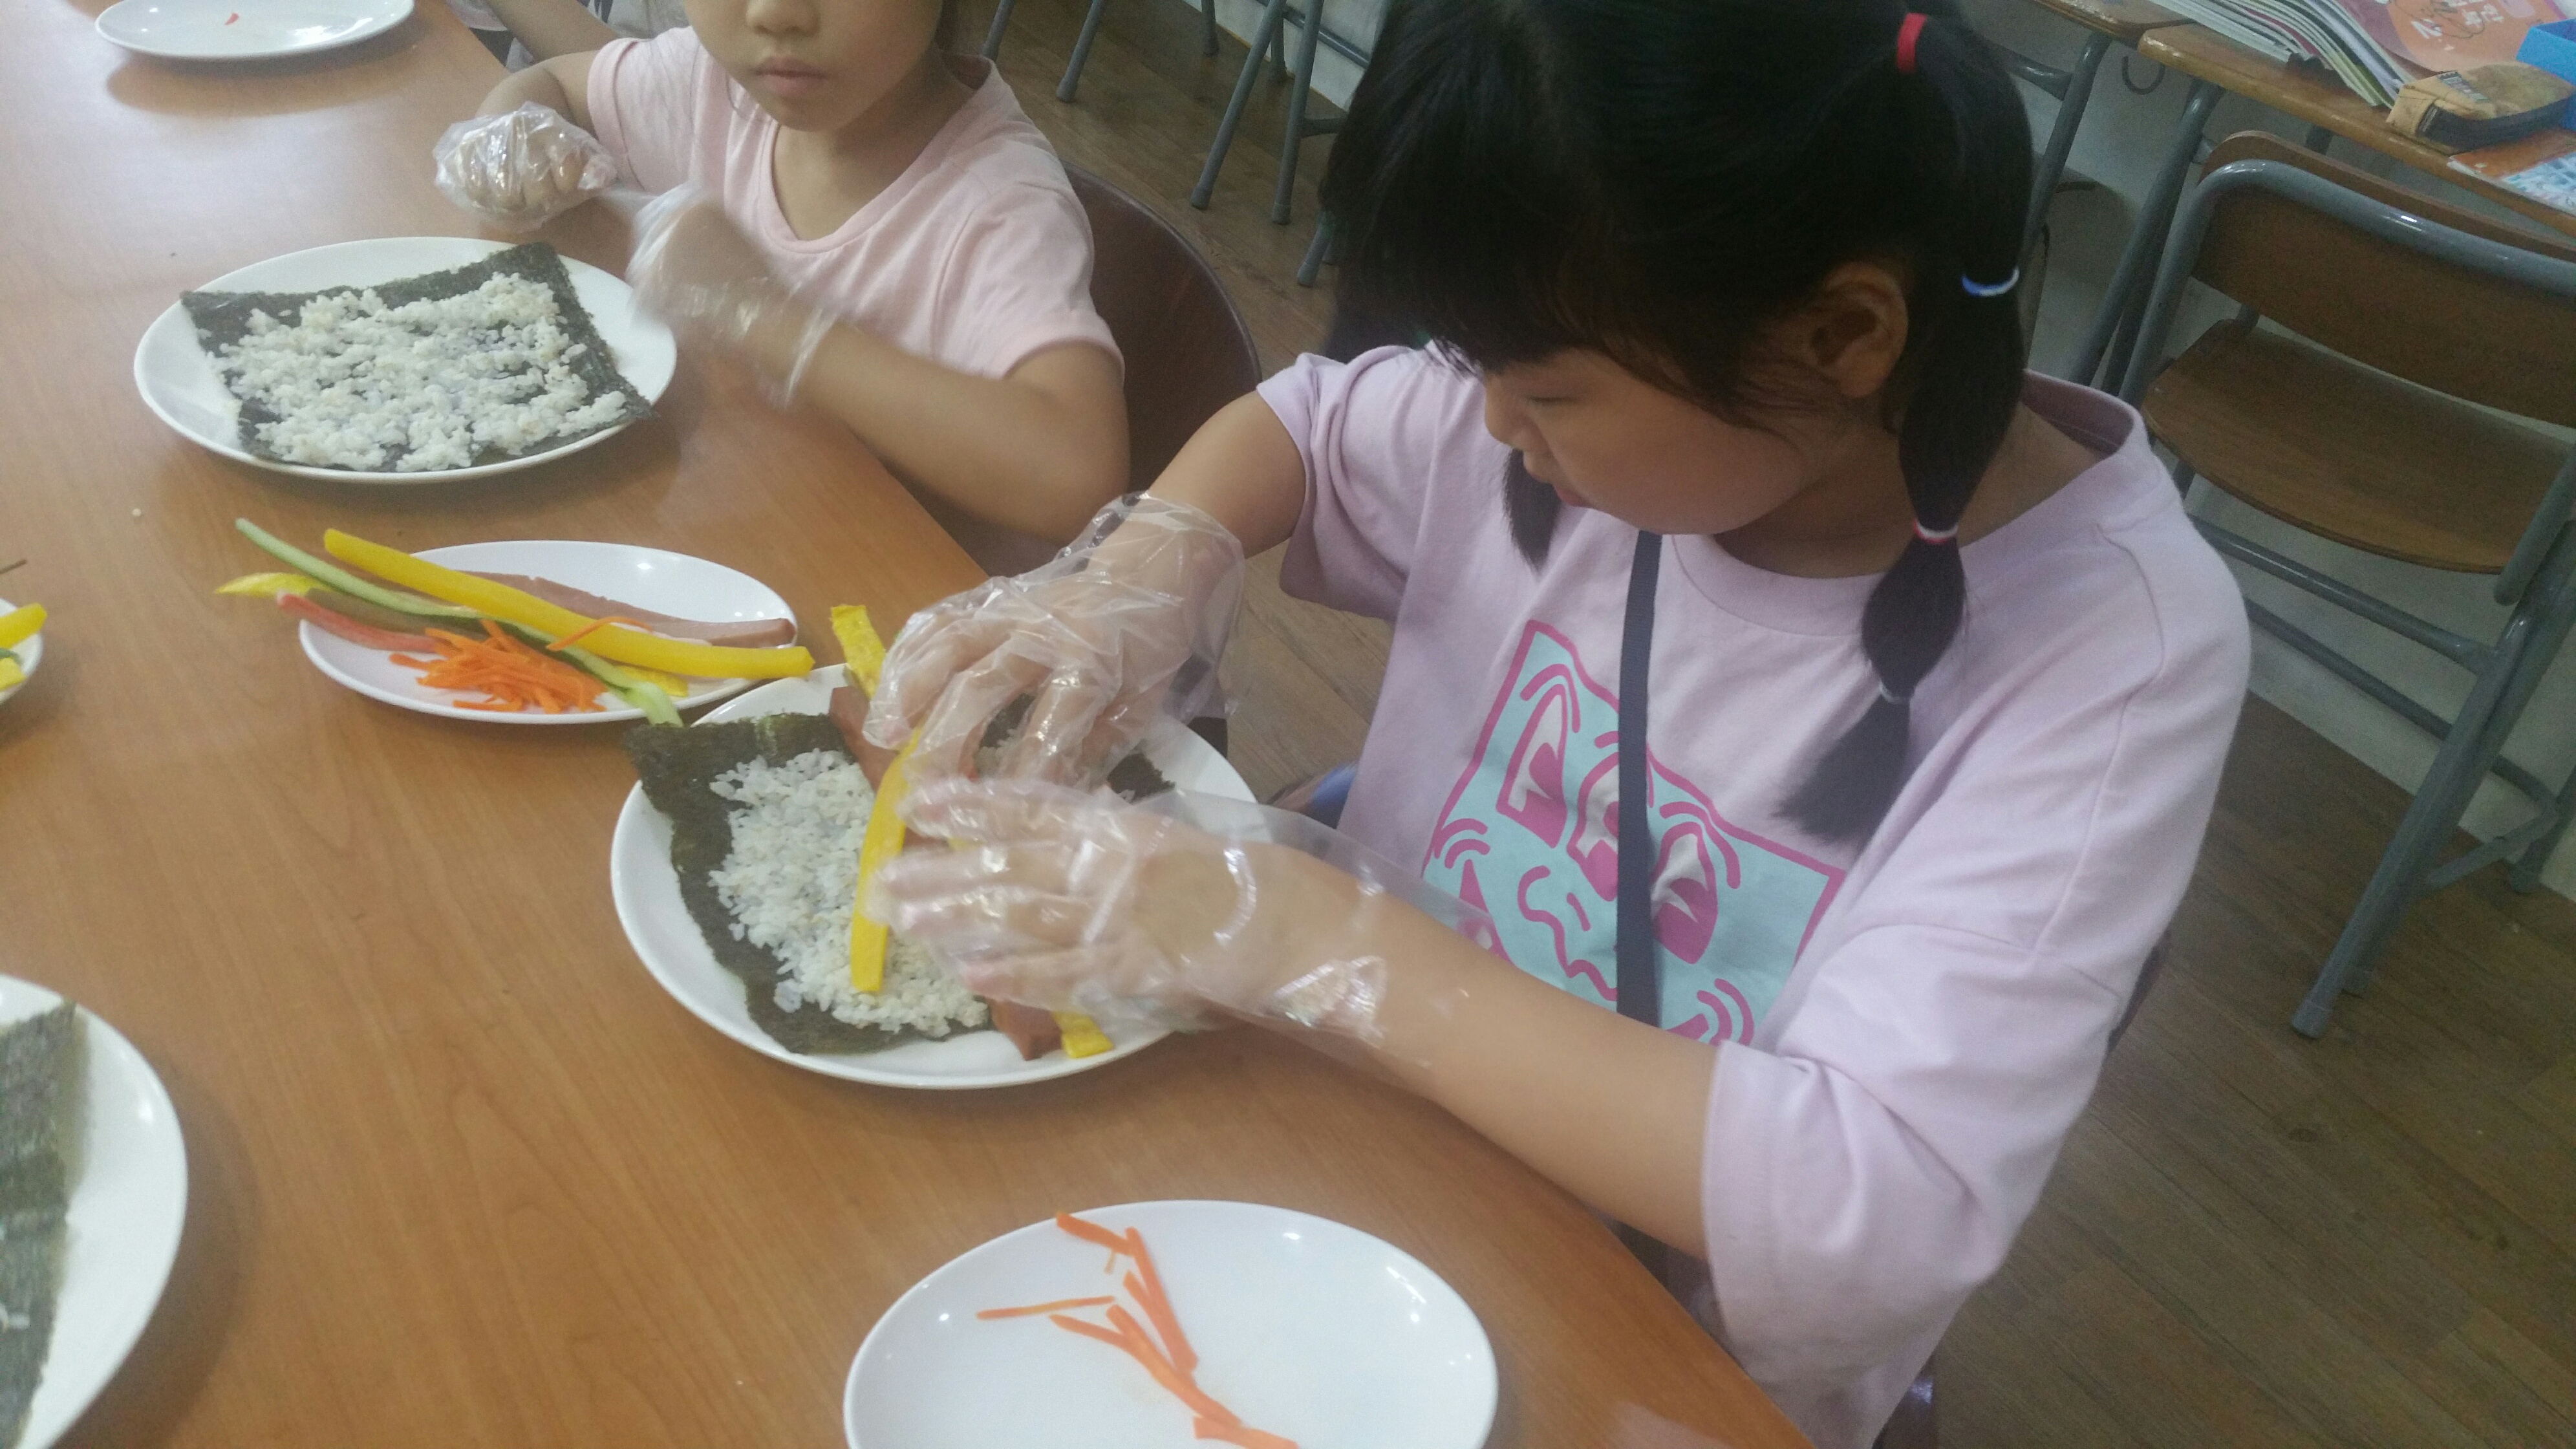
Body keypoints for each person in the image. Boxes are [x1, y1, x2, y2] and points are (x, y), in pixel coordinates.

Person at [857, 1, 2250, 1446]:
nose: (1489, 427)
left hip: (1638, 1353)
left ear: (1842, 334)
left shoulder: (2111, 653)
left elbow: (1868, 1208)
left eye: (1540, 390)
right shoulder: (1617, 365)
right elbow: (1314, 423)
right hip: (1330, 1166)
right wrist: (1146, 567)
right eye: (1471, 366)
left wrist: (1319, 939)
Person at [430, 0, 1130, 560]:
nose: (776, 12)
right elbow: (556, 85)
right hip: (733, 525)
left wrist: (769, 315)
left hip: (903, 604)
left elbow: (1076, 476)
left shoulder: (999, 206)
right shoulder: (712, 83)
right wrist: (508, 133)